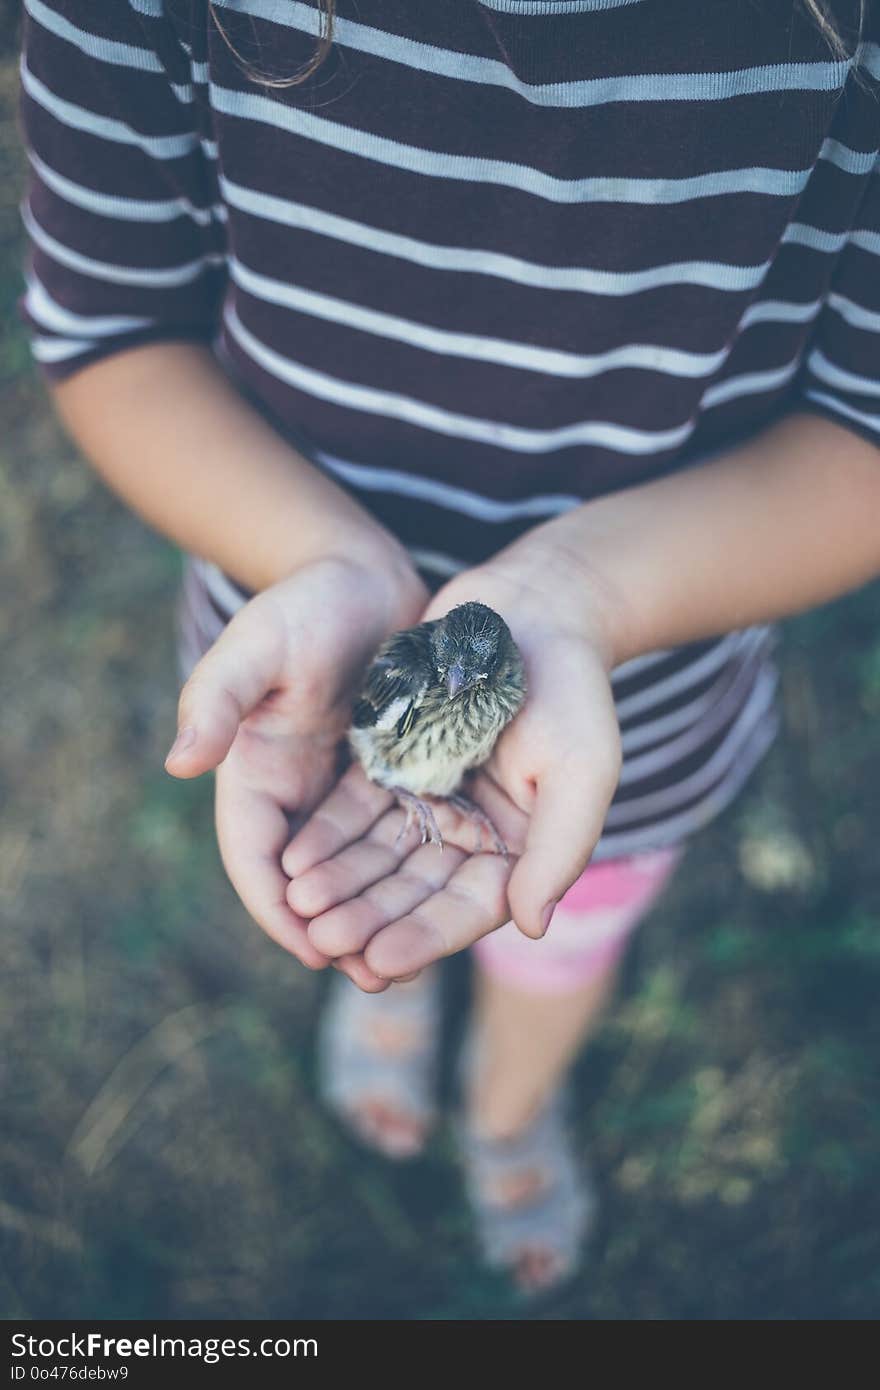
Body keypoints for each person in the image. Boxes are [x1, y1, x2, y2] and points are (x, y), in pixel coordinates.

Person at [19, 0, 880, 1295]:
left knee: (563, 929)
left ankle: (508, 1098)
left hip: (639, 678)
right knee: (369, 895)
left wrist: (584, 592)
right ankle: (391, 994)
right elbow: (112, 330)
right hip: (300, 636)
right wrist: (327, 559)